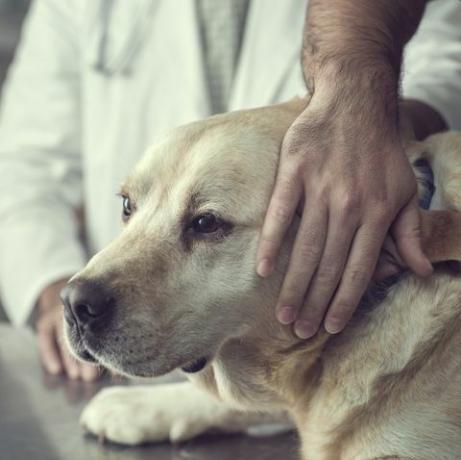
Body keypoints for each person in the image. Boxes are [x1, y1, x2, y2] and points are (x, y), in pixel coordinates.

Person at [0, 0, 460, 381]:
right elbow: (22, 162)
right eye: (128, 205)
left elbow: (447, 62)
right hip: (128, 380)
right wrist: (51, 285)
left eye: (205, 223)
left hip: (340, 355)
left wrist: (382, 130)